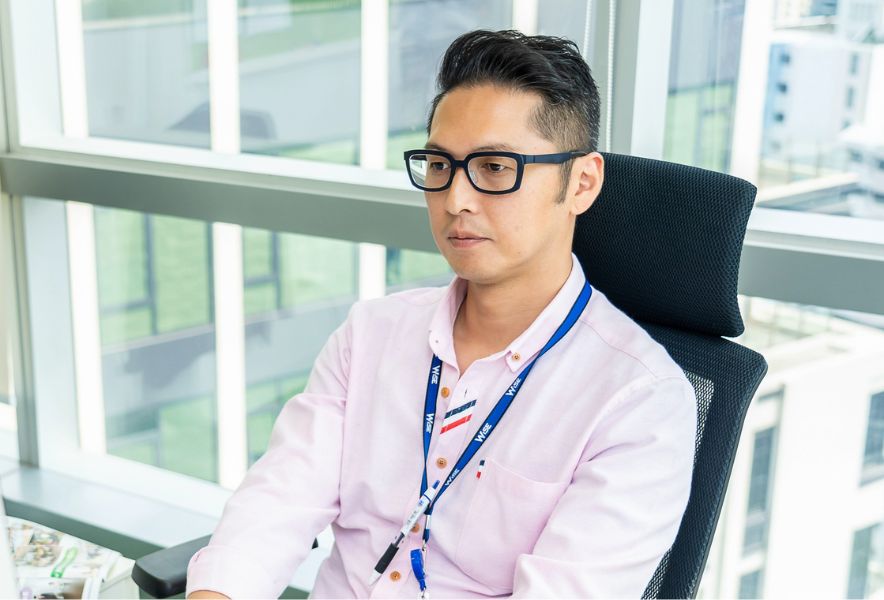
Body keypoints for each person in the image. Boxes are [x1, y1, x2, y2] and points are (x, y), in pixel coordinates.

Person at [187, 29, 697, 599]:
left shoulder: (639, 402)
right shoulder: (371, 335)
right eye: (439, 165)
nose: (455, 200)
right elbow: (276, 505)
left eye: (495, 167)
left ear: (581, 183)